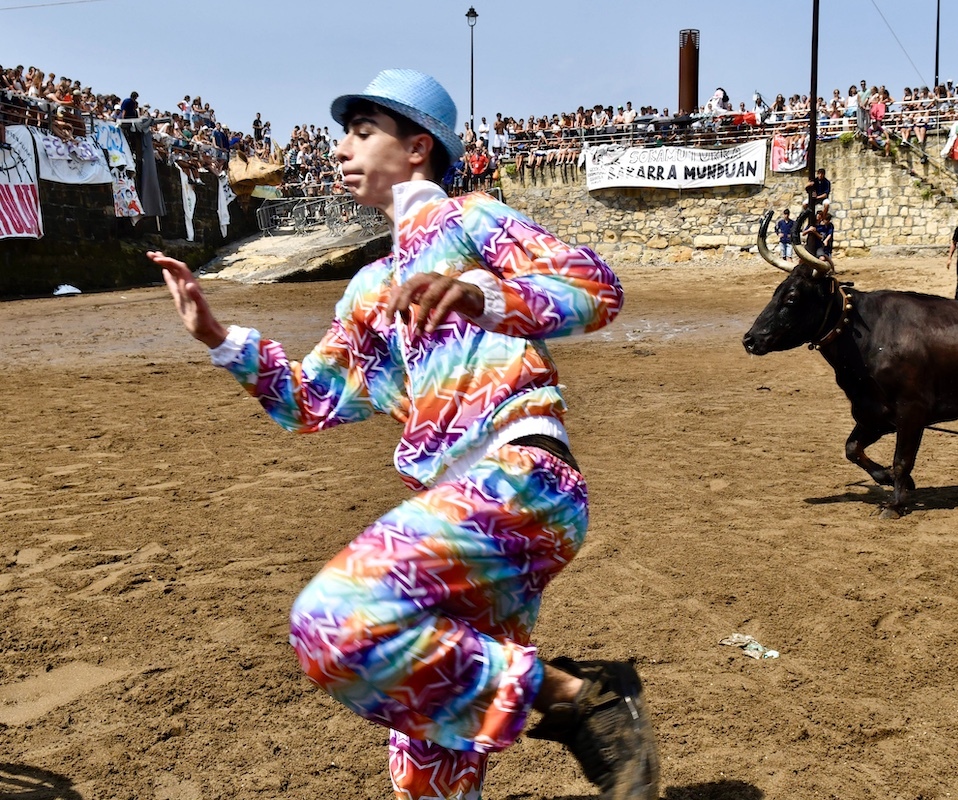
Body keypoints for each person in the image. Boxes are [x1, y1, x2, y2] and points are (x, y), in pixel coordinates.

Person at [148, 68, 659, 800]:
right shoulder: (369, 290)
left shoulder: (469, 219)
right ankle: (560, 702)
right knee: (429, 765)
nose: (340, 149)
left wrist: (484, 294)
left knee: (336, 619)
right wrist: (220, 339)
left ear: (418, 148)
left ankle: (581, 699)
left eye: (362, 133)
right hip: (464, 512)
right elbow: (310, 401)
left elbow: (596, 289)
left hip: (523, 479)